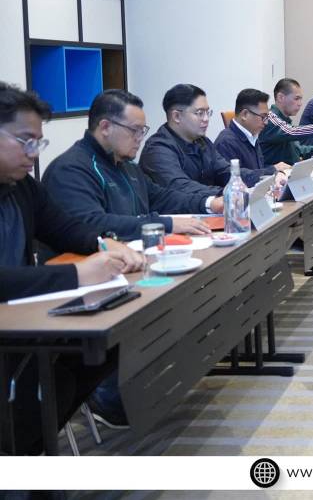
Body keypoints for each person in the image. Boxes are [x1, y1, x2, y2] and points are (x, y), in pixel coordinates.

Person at [0, 82, 144, 452]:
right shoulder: (69, 169)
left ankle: (27, 450)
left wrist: (104, 243)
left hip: (20, 324)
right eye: (25, 141)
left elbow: (63, 228)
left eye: (38, 142)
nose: (34, 154)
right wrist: (77, 274)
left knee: (103, 346)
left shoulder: (21, 186)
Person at [42, 89, 218, 241]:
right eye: (134, 130)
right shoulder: (70, 170)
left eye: (143, 130)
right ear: (105, 127)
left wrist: (209, 203)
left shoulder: (126, 164)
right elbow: (93, 223)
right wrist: (167, 224)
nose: (140, 138)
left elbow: (161, 197)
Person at [139, 84, 276, 202]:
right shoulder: (158, 149)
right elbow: (180, 187)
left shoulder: (202, 142)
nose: (206, 119)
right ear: (176, 116)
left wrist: (269, 175)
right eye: (199, 113)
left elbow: (226, 171)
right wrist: (227, 193)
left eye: (207, 112)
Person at [214, 88, 290, 174]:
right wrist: (272, 170)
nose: (266, 122)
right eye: (263, 117)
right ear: (245, 114)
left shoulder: (252, 135)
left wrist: (277, 171)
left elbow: (257, 170)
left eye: (267, 117)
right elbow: (235, 177)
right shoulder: (226, 142)